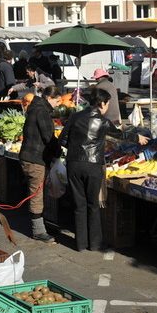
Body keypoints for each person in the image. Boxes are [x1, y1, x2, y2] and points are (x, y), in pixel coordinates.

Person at [59, 89, 148, 251]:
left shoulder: (75, 117)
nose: (107, 107)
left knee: (79, 205)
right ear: (101, 103)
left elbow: (63, 139)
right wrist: (137, 138)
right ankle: (94, 244)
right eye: (107, 103)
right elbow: (119, 134)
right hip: (93, 165)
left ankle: (80, 244)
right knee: (93, 204)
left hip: (74, 164)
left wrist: (75, 149)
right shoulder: (103, 121)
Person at [19, 86, 62, 243]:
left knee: (37, 192)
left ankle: (42, 224)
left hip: (29, 155)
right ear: (50, 98)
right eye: (57, 101)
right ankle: (38, 231)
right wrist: (58, 151)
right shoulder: (42, 111)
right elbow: (48, 137)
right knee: (36, 194)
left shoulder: (35, 107)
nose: (58, 104)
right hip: (35, 158)